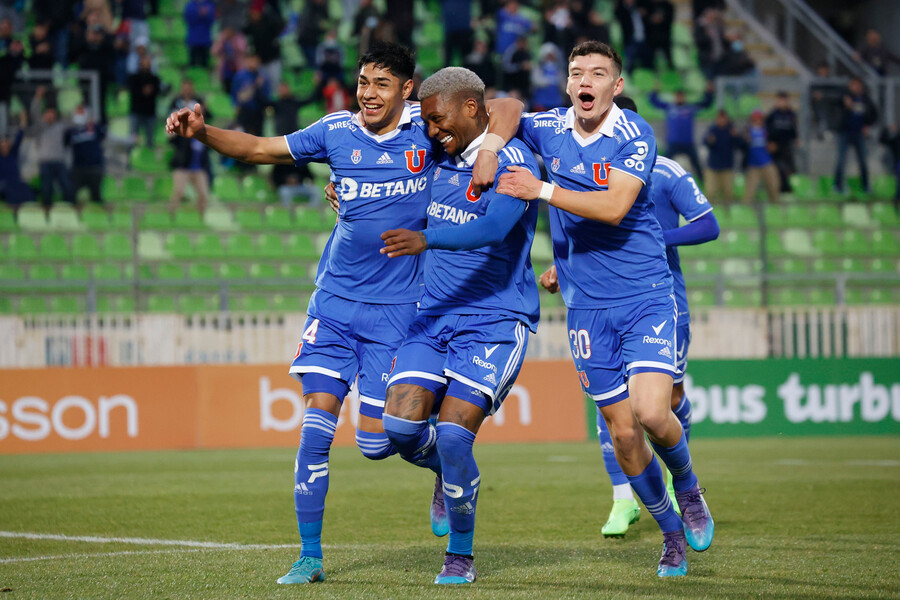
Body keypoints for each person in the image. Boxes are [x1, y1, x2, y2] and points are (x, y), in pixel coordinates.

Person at [165, 41, 522, 586]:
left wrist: (493, 145)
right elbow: (259, 148)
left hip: (397, 312)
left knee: (377, 443)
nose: (368, 94)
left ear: (407, 89)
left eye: (382, 84)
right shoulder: (335, 131)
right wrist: (202, 132)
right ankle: (309, 557)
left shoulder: (428, 131)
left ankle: (441, 467)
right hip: (333, 305)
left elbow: (506, 107)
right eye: (362, 82)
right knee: (315, 429)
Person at [496, 40, 714, 577]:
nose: (585, 81)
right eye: (576, 73)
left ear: (616, 86)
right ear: (567, 84)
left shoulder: (634, 133)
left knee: (652, 413)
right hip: (586, 310)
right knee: (622, 434)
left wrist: (541, 190)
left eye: (597, 73)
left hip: (645, 296)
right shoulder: (549, 127)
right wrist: (491, 144)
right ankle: (671, 535)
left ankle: (688, 488)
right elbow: (501, 108)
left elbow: (615, 207)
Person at [378, 66, 540, 585]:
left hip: (495, 320)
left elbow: (493, 228)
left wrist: (427, 239)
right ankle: (446, 475)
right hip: (433, 317)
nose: (431, 130)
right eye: (426, 122)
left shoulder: (513, 160)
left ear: (471, 108)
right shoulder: (439, 157)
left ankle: (460, 557)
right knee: (400, 430)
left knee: (451, 435)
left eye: (437, 119)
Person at [592, 94, 720, 538]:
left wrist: (655, 237)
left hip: (661, 302)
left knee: (666, 400)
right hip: (603, 304)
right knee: (612, 407)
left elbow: (708, 224)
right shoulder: (583, 172)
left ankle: (677, 478)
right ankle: (622, 499)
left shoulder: (664, 171)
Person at [649, 83, 715, 183]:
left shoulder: (690, 108)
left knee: (697, 166)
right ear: (675, 96)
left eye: (681, 96)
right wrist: (655, 90)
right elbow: (654, 102)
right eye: (678, 96)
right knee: (663, 163)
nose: (679, 98)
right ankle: (654, 182)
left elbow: (706, 104)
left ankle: (704, 185)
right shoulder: (669, 107)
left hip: (688, 143)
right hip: (673, 143)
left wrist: (709, 93)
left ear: (684, 97)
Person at [834, 77, 877, 195]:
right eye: (853, 85)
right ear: (850, 86)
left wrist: (868, 125)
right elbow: (834, 107)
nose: (856, 87)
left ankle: (866, 186)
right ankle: (837, 186)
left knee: (863, 161)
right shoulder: (844, 97)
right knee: (841, 161)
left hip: (859, 134)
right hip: (845, 133)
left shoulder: (866, 99)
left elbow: (874, 114)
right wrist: (845, 105)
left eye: (858, 85)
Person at [31, 87, 74, 205]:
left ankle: (70, 209)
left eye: (52, 113)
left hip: (59, 161)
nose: (50, 115)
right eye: (48, 113)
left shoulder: (60, 126)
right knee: (47, 190)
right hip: (45, 162)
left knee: (67, 187)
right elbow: (34, 112)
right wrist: (38, 97)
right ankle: (47, 211)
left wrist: (62, 107)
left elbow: (71, 122)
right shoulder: (41, 126)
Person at [65, 105, 106, 205]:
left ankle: (98, 214)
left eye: (81, 112)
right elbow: (65, 145)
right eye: (77, 112)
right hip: (78, 168)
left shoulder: (95, 127)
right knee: (70, 195)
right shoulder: (71, 131)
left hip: (95, 167)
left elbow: (106, 135)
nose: (79, 115)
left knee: (96, 197)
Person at [702, 109, 741, 204]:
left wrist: (736, 137)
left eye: (723, 118)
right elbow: (705, 142)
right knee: (710, 193)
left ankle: (729, 212)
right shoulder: (713, 130)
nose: (721, 121)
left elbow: (739, 145)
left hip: (727, 167)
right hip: (713, 167)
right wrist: (709, 141)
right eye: (719, 118)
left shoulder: (731, 130)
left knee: (728, 194)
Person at [743, 109, 779, 203]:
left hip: (767, 163)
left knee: (773, 188)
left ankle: (775, 208)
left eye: (759, 119)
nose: (758, 121)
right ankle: (744, 209)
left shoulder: (767, 132)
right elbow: (742, 146)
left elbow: (775, 146)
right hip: (753, 165)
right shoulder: (747, 131)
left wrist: (772, 146)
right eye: (755, 119)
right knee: (749, 192)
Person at [765, 91, 798, 194]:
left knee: (790, 168)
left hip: (787, 145)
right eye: (780, 100)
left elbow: (793, 129)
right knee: (777, 168)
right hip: (775, 145)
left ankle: (789, 188)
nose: (782, 102)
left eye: (784, 100)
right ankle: (778, 189)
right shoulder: (773, 114)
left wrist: (796, 138)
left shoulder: (791, 114)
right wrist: (769, 142)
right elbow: (767, 129)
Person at [127, 55, 161, 147]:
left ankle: (149, 154)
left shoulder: (154, 79)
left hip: (150, 113)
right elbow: (132, 91)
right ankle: (130, 154)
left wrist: (150, 91)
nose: (145, 66)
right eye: (143, 64)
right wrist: (143, 91)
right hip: (136, 112)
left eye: (147, 64)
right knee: (132, 138)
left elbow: (157, 92)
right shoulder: (133, 78)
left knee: (150, 139)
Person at [184, 0, 215, 68]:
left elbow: (212, 20)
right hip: (193, 40)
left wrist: (206, 14)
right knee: (192, 64)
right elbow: (188, 19)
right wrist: (198, 13)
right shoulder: (190, 5)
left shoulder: (209, 4)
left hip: (205, 40)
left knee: (204, 65)